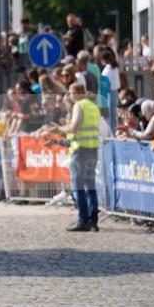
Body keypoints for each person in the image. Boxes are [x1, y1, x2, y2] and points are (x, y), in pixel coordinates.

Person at [46, 82, 101, 232]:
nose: (69, 96)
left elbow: (74, 128)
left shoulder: (79, 105)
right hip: (92, 148)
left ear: (76, 93)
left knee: (78, 187)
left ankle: (82, 221)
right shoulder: (93, 106)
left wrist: (60, 128)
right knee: (90, 186)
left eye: (70, 93)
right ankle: (93, 221)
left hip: (80, 150)